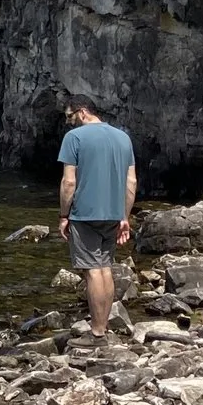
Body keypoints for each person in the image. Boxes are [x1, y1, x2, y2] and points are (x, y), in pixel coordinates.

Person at [57, 98, 138, 340]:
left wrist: (64, 215)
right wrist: (125, 216)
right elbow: (131, 181)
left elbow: (68, 182)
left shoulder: (74, 138)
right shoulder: (123, 138)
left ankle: (97, 331)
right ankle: (104, 326)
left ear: (82, 112)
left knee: (92, 271)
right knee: (105, 268)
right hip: (114, 214)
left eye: (70, 116)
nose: (69, 122)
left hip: (84, 214)